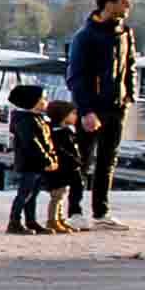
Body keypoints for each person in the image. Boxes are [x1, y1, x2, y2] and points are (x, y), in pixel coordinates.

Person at [63, 0, 135, 232]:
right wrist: (86, 110)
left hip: (117, 106)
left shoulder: (125, 33)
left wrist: (129, 96)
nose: (128, 6)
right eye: (124, 1)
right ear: (109, 3)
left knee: (108, 160)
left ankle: (101, 212)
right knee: (82, 159)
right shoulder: (85, 36)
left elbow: (130, 67)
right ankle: (74, 211)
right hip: (93, 107)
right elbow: (75, 76)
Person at [5, 82, 56, 235]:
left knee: (33, 194)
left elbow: (47, 142)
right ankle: (14, 222)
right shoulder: (24, 120)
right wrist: (46, 159)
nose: (46, 102)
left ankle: (31, 221)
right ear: (32, 101)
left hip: (37, 163)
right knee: (24, 193)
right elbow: (32, 143)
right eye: (43, 99)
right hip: (29, 163)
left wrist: (50, 158)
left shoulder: (38, 118)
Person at [45, 100, 82, 236]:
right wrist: (74, 160)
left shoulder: (66, 131)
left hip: (67, 169)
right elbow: (62, 151)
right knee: (57, 196)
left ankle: (59, 219)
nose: (76, 116)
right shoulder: (58, 132)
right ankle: (52, 220)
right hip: (59, 170)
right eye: (73, 114)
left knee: (62, 194)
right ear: (63, 115)